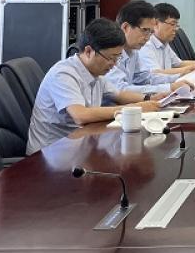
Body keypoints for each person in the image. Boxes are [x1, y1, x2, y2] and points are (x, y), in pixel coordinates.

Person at [26, 18, 160, 153]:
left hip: (79, 145)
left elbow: (119, 95)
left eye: (117, 58)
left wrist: (150, 99)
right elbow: (80, 116)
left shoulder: (96, 72)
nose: (114, 64)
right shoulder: (63, 74)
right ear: (89, 51)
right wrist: (132, 109)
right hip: (49, 153)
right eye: (111, 58)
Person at [105, 0, 187, 98]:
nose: (147, 38)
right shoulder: (110, 51)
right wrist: (168, 87)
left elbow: (145, 78)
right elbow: (120, 90)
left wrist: (178, 77)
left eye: (150, 32)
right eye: (144, 30)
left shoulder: (133, 51)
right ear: (126, 27)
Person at [139, 2, 195, 75]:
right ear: (156, 23)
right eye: (172, 24)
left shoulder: (164, 44)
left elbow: (179, 64)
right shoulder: (146, 45)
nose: (176, 29)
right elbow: (155, 74)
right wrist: (188, 69)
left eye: (177, 25)